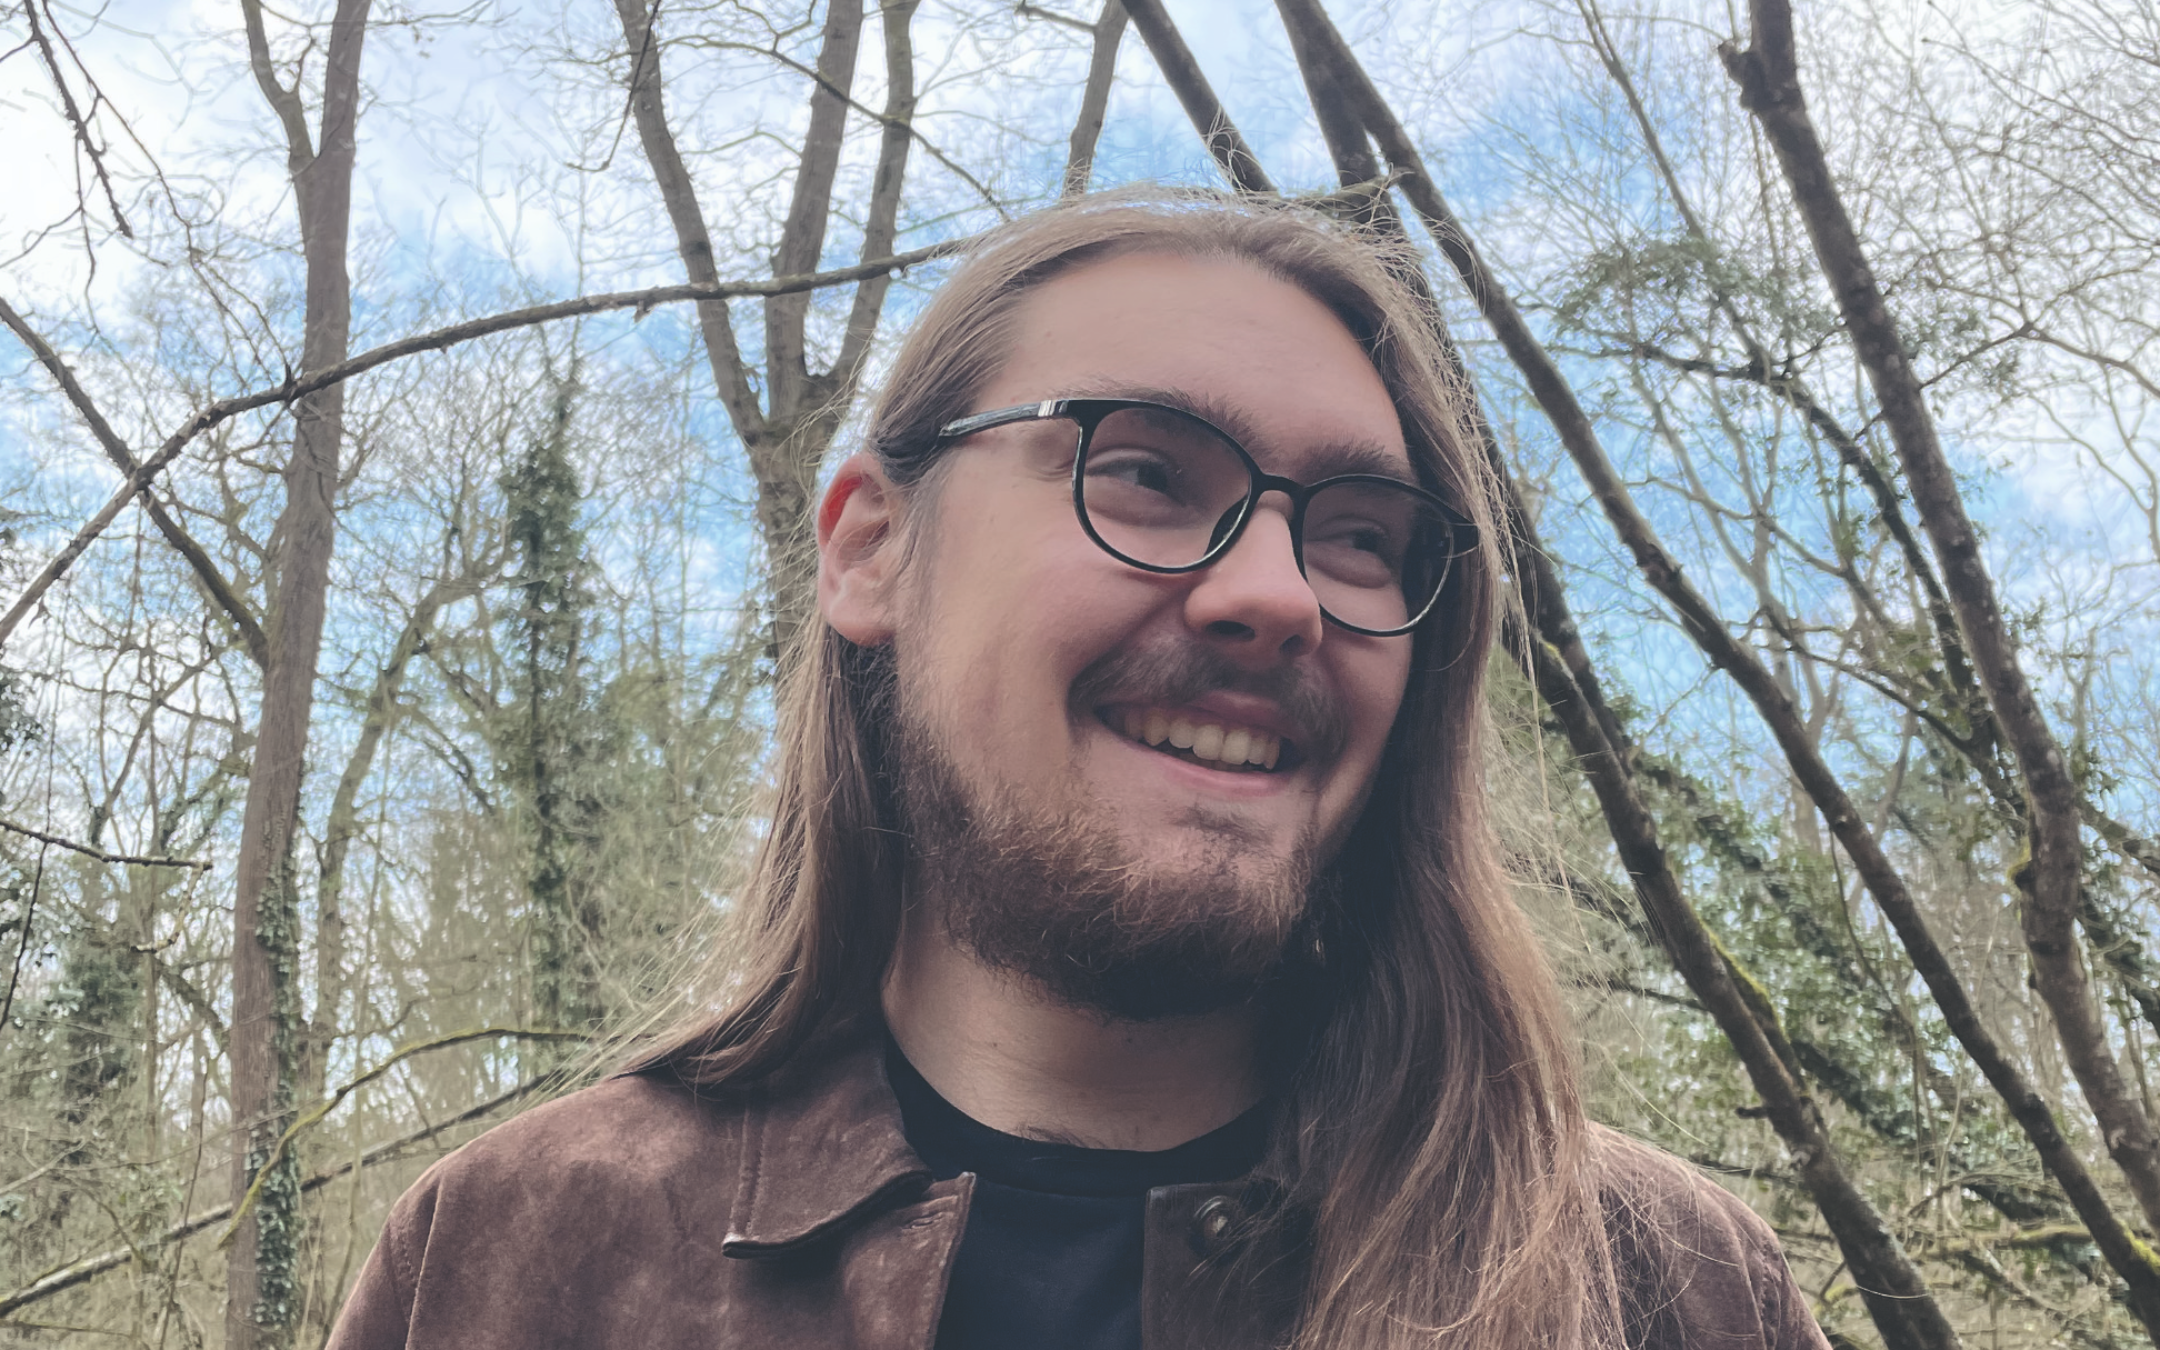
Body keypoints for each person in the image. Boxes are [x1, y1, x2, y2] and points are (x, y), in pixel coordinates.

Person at [326, 192, 1829, 1350]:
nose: (1279, 594)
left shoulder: (1673, 1293)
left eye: (1361, 535)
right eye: (1145, 473)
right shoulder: (508, 1259)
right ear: (871, 548)